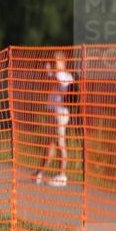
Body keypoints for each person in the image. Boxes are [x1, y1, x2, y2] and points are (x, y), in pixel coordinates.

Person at [34, 51, 75, 188]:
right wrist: (46, 72)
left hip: (61, 113)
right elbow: (45, 85)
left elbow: (57, 84)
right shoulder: (53, 74)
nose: (53, 63)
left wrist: (50, 73)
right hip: (51, 112)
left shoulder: (66, 76)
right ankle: (40, 171)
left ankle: (62, 174)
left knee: (60, 142)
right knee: (50, 143)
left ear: (63, 62)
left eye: (56, 61)